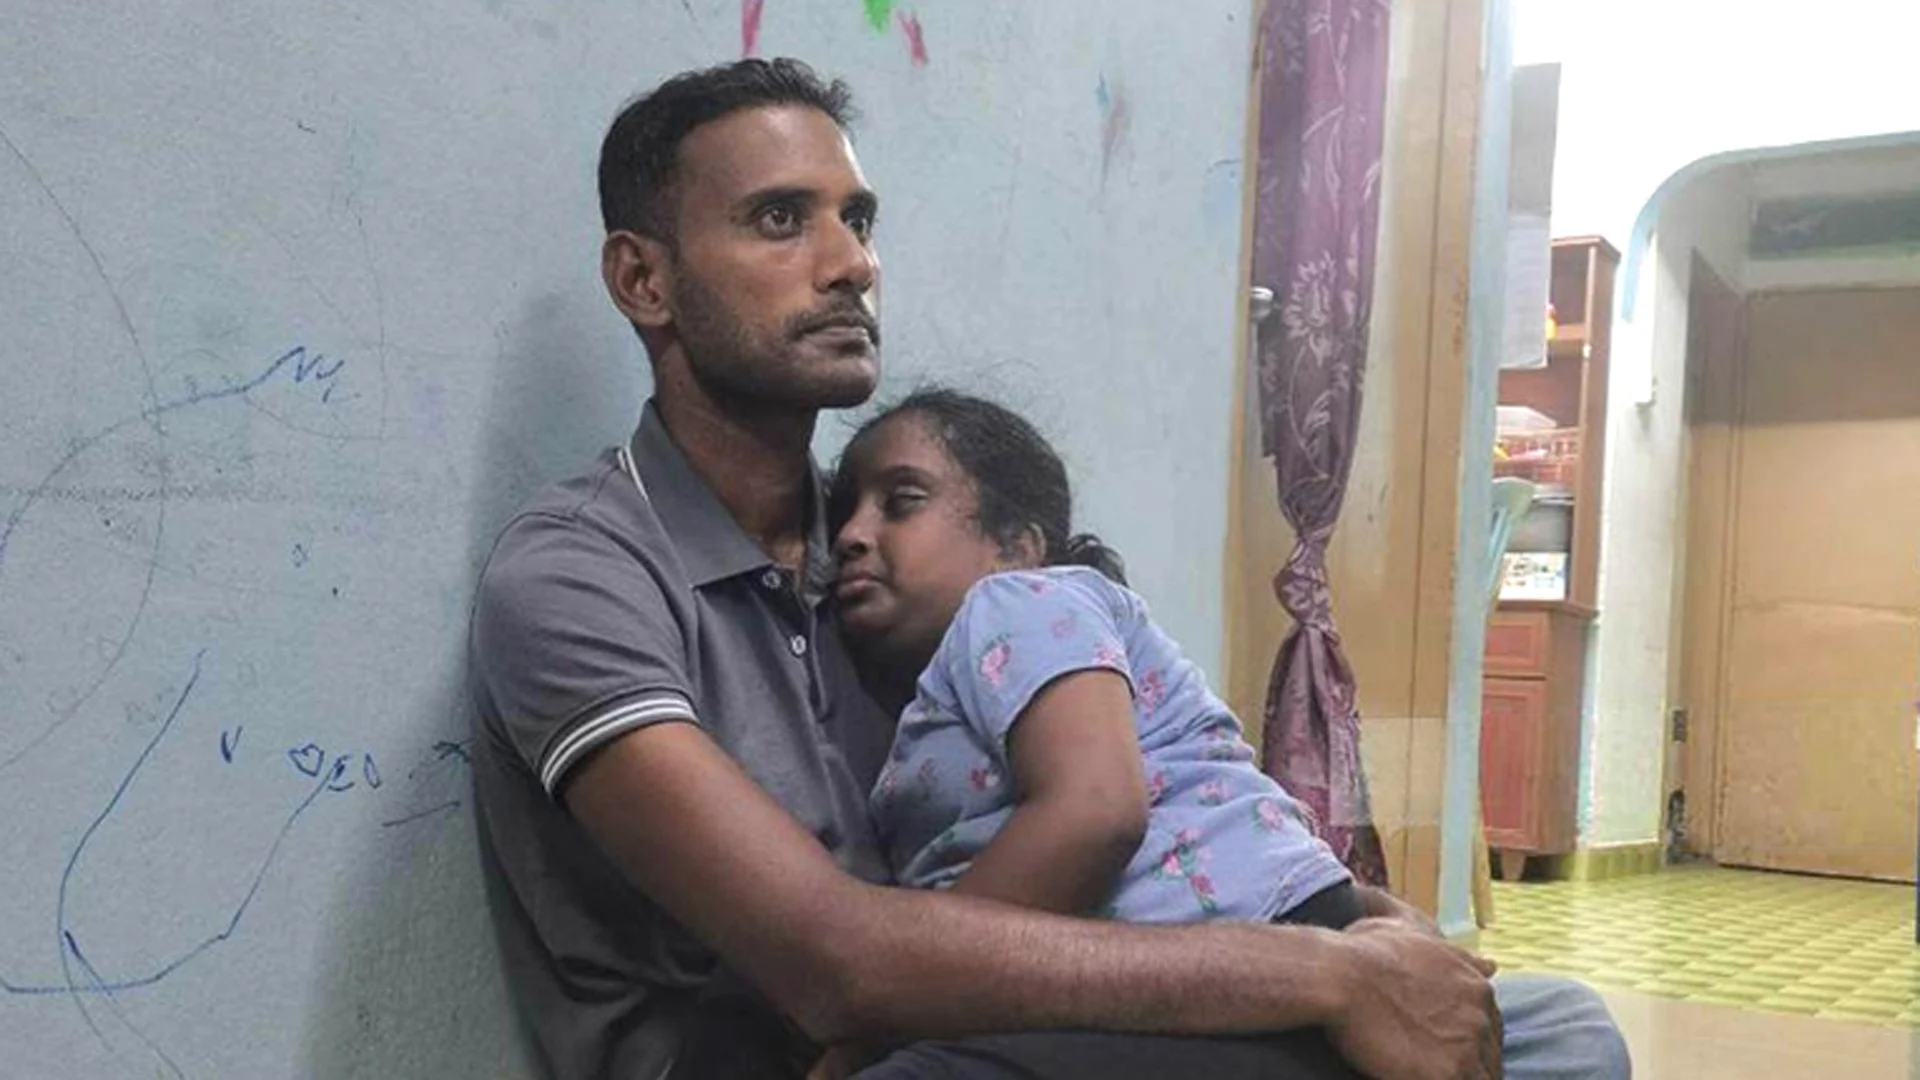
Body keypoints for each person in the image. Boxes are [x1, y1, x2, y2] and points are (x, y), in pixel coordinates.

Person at [466, 57, 1631, 1080]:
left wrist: (1364, 927)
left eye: (858, 220)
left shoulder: (896, 561)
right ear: (645, 281)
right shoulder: (579, 576)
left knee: (1551, 1032)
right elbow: (835, 965)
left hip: (996, 1021)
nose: (851, 264)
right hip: (817, 1055)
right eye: (781, 220)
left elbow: (1142, 797)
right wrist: (1321, 976)